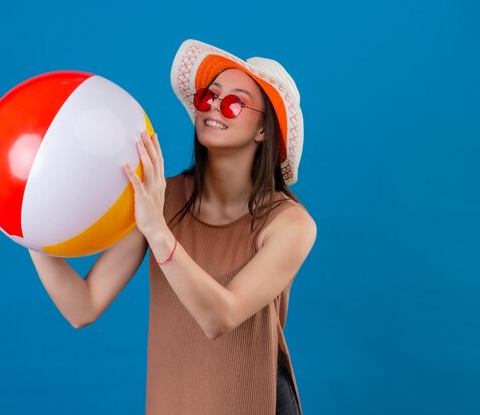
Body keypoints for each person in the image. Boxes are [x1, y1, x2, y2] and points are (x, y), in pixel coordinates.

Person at [29, 39, 316, 415]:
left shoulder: (291, 224)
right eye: (208, 97)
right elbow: (83, 305)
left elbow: (221, 317)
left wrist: (158, 231)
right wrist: (27, 221)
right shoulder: (159, 198)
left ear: (264, 130)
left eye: (234, 102)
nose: (214, 106)